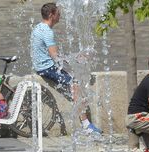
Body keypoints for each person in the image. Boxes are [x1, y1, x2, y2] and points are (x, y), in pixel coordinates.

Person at [31, 2, 101, 136]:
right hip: (46, 68)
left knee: (75, 80)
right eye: (58, 13)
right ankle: (86, 125)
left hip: (41, 65)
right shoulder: (47, 32)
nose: (60, 15)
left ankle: (86, 124)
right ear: (51, 15)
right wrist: (77, 58)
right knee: (76, 85)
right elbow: (56, 57)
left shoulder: (38, 27)